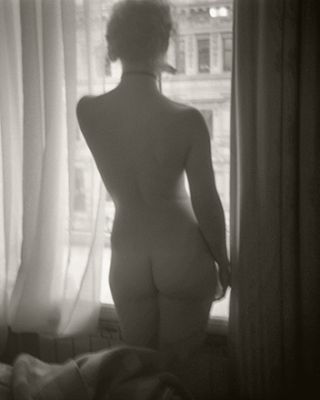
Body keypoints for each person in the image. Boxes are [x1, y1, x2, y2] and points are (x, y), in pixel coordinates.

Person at [76, 0, 230, 365]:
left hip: (127, 252)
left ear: (114, 43)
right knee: (177, 371)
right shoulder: (188, 120)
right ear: (164, 43)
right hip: (181, 251)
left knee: (140, 370)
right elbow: (206, 202)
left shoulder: (88, 110)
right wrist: (223, 262)